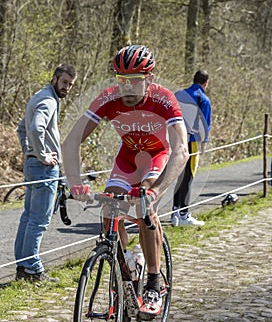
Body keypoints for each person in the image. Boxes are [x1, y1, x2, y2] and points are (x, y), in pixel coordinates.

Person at [62, 45, 189, 318]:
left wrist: (156, 191)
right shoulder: (109, 98)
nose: (128, 87)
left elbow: (181, 151)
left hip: (156, 156)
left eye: (135, 81)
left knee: (144, 208)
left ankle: (154, 282)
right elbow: (71, 141)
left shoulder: (163, 100)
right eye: (122, 80)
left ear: (149, 79)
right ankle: (127, 266)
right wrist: (75, 183)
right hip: (128, 159)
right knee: (109, 210)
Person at [15, 63, 77, 282]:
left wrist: (28, 151)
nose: (67, 88)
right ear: (54, 79)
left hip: (34, 165)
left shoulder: (38, 96)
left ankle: (23, 266)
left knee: (28, 217)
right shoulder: (49, 100)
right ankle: (32, 268)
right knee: (38, 220)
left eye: (70, 85)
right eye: (64, 83)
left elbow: (21, 128)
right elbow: (34, 128)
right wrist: (41, 155)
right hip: (43, 168)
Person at [171, 70, 212, 226]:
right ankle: (184, 214)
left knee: (178, 175)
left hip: (176, 140)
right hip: (192, 140)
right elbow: (204, 125)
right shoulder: (204, 99)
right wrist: (204, 143)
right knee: (189, 176)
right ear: (205, 83)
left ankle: (174, 212)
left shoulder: (178, 94)